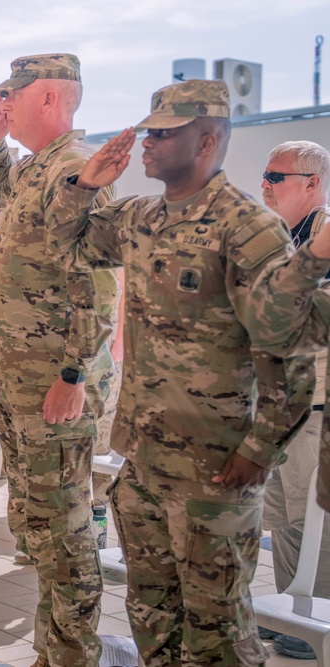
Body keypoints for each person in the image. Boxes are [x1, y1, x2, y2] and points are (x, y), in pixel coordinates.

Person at [49, 79, 307, 666]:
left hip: (213, 472)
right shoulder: (140, 217)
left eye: (166, 133)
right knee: (150, 613)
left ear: (208, 140)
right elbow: (67, 243)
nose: (147, 143)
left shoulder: (248, 228)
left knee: (217, 629)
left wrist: (259, 451)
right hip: (143, 461)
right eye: (148, 131)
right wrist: (86, 185)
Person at [0, 53, 117, 667]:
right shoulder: (38, 168)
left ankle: (75, 655)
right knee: (37, 524)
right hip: (18, 375)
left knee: (62, 528)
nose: (3, 103)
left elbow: (98, 284)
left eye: (14, 95)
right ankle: (52, 651)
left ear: (51, 100)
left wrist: (73, 375)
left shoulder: (82, 170)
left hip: (54, 382)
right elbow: (4, 190)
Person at [255, 141, 330, 661]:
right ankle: (290, 609)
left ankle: (314, 622)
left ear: (313, 183)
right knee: (283, 515)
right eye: (265, 174)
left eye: (277, 176)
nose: (265, 184)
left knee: (311, 515)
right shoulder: (285, 237)